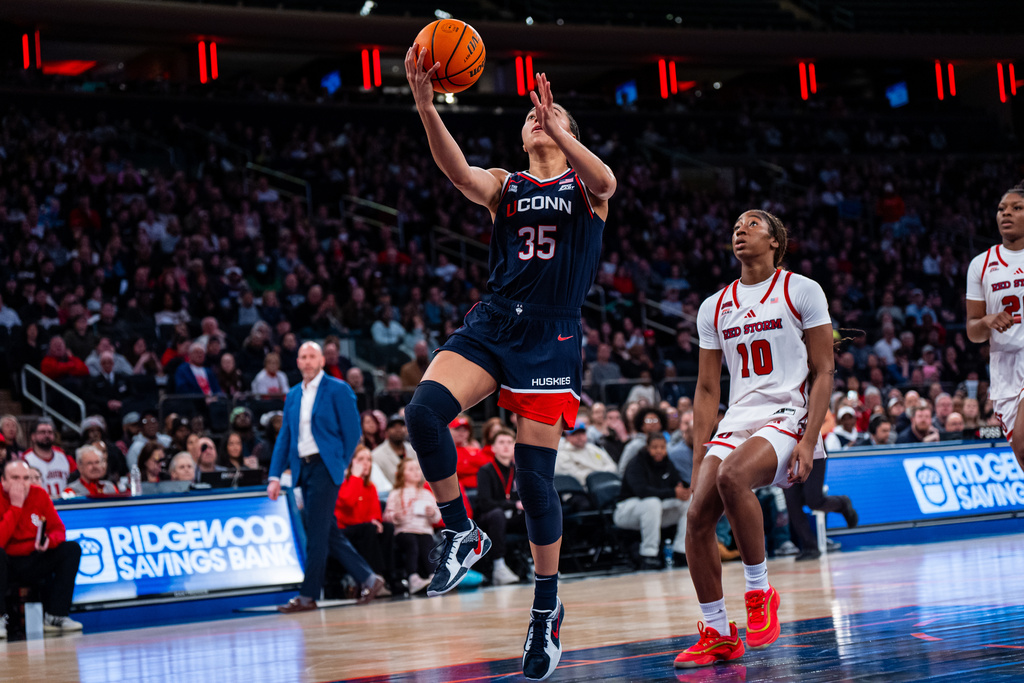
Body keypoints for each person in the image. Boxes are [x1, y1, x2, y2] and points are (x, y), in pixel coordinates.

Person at [405, 47, 616, 680]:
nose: (534, 119)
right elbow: (460, 175)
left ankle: (546, 609)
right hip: (495, 321)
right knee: (422, 414)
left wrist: (561, 131)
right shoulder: (508, 183)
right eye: (530, 115)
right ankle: (460, 532)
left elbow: (608, 182)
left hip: (550, 340)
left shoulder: (586, 190)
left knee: (533, 480)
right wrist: (424, 103)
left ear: (566, 133)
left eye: (548, 117)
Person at [676, 210, 833, 669]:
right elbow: (707, 389)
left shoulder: (801, 289)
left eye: (753, 225)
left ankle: (760, 589)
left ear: (776, 242)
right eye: (736, 227)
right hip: (740, 416)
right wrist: (697, 451)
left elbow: (824, 370)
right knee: (696, 517)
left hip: (788, 412)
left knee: (733, 478)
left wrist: (808, 439)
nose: (740, 231)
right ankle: (718, 632)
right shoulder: (715, 305)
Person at [268, 342, 384, 612]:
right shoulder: (294, 394)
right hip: (303, 467)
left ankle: (307, 597)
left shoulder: (338, 389)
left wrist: (339, 464)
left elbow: (353, 431)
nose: (307, 362)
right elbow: (285, 436)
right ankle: (369, 577)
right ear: (297, 362)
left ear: (321, 360)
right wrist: (274, 475)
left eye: (312, 357)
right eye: (303, 357)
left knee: (317, 534)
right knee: (327, 530)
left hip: (325, 467)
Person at [966, 184, 1024, 470]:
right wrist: (987, 320)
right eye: (1002, 209)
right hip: (1003, 367)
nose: (1006, 213)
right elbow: (973, 332)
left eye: (1016, 208)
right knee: (1022, 454)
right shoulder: (981, 264)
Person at [0, 460, 84, 638]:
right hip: (7, 561)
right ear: (3, 481)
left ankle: (56, 615)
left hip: (34, 556)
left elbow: (59, 530)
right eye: (15, 478)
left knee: (71, 549)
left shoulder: (39, 494)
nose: (21, 483)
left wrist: (49, 541)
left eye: (25, 478)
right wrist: (16, 506)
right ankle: (0, 618)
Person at [613, 432, 689, 570]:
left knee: (688, 501)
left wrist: (684, 490)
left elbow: (676, 483)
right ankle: (649, 554)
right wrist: (673, 492)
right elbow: (642, 491)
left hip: (655, 510)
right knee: (652, 502)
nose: (659, 450)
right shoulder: (636, 463)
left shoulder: (667, 463)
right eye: (655, 447)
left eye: (662, 447)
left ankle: (681, 550)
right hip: (627, 510)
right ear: (647, 447)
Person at [335, 446, 398, 594]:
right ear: (352, 463)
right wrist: (356, 477)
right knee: (368, 530)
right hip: (344, 530)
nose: (366, 463)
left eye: (369, 460)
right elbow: (348, 503)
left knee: (387, 528)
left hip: (363, 528)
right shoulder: (342, 482)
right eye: (361, 459)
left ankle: (389, 577)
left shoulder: (370, 487)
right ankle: (374, 578)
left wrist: (375, 520)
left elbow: (375, 511)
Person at [474, 428, 525, 586]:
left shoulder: (519, 470)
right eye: (501, 442)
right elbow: (485, 503)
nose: (506, 446)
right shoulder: (485, 471)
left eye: (509, 442)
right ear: (493, 448)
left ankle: (539, 564)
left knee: (535, 514)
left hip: (512, 517)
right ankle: (499, 566)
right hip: (488, 519)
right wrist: (513, 504)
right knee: (497, 514)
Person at [383, 458, 442, 594]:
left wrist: (432, 513)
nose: (416, 472)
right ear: (402, 474)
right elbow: (387, 515)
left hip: (424, 531)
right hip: (405, 530)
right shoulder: (396, 493)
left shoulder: (427, 493)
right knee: (412, 545)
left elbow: (438, 516)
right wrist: (395, 517)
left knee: (428, 546)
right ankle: (413, 578)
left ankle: (434, 576)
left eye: (417, 468)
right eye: (411, 469)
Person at [782, 456, 858, 561]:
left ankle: (842, 503)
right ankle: (810, 547)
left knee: (814, 501)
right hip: (788, 458)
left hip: (814, 454)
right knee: (792, 504)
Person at [21, 418, 77, 499]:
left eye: (50, 432)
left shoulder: (64, 456)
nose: (47, 435)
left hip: (66, 505)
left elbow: (76, 481)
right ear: (33, 436)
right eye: (42, 432)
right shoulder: (25, 459)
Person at [372, 414, 417, 488]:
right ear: (386, 431)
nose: (398, 429)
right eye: (393, 427)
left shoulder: (413, 450)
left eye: (401, 426)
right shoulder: (376, 455)